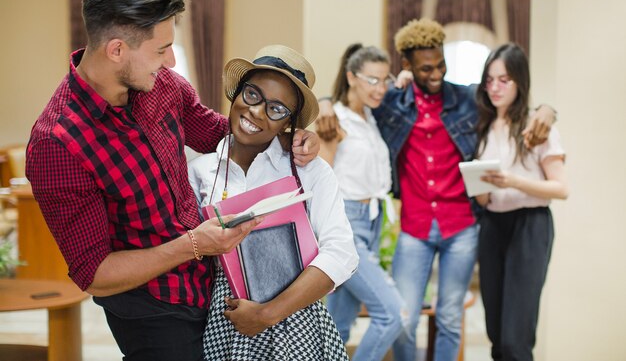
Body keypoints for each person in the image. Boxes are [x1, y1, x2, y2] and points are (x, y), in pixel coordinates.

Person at [25, 0, 319, 361]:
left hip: (210, 286)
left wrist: (292, 138)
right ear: (116, 50)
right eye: (162, 50)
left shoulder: (161, 85)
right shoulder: (56, 143)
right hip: (150, 312)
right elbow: (94, 274)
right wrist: (194, 244)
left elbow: (223, 137)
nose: (172, 63)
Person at [317, 18, 556, 361]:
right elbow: (351, 100)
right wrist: (324, 101)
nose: (436, 73)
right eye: (426, 68)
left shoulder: (467, 98)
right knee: (405, 318)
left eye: (441, 64)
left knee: (448, 317)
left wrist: (548, 110)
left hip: (461, 226)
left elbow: (512, 103)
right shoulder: (390, 103)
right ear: (407, 66)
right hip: (414, 227)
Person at [187, 44, 358, 361]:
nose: (257, 112)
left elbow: (342, 253)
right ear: (237, 92)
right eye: (253, 95)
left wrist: (267, 314)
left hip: (297, 321)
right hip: (226, 322)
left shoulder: (311, 171)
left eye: (277, 109)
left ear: (289, 123)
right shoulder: (200, 172)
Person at [473, 43, 568, 361]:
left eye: (504, 80)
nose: (495, 88)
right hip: (492, 226)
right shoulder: (484, 127)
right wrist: (480, 190)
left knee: (516, 338)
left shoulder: (538, 126)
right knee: (496, 334)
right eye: (489, 80)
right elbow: (485, 195)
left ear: (520, 82)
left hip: (530, 226)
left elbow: (561, 188)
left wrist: (512, 181)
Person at [320, 43, 405, 361]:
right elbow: (322, 177)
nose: (380, 88)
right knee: (393, 314)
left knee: (339, 325)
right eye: (372, 79)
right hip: (347, 225)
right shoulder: (334, 120)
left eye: (385, 80)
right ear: (351, 77)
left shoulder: (371, 118)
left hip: (374, 221)